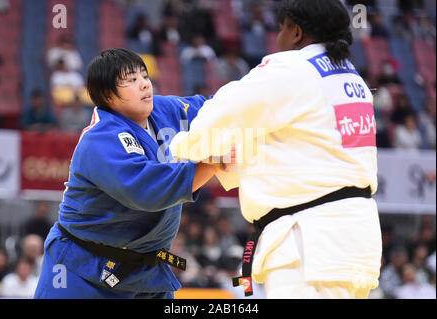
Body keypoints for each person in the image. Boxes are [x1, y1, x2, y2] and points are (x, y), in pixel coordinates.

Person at [170, 0, 382, 299]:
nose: (276, 39)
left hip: (309, 244)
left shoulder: (291, 67)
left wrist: (177, 152)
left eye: (280, 29)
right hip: (353, 244)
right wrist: (223, 161)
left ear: (295, 32)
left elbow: (222, 116)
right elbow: (291, 143)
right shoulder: (351, 79)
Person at [33, 48, 222, 299]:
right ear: (108, 95)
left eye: (144, 76)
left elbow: (215, 110)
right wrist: (216, 161)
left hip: (147, 273)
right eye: (131, 80)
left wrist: (254, 96)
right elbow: (149, 190)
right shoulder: (100, 138)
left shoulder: (164, 110)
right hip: (82, 270)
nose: (144, 84)